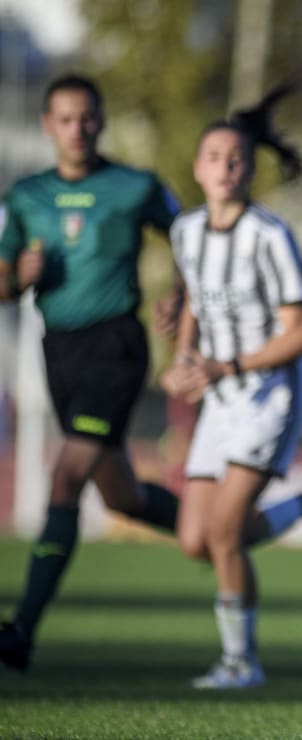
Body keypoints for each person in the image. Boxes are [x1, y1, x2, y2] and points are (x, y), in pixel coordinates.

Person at [159, 85, 302, 689]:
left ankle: (240, 663)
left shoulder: (269, 236)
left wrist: (227, 366)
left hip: (272, 392)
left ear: (250, 171)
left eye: (237, 160)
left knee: (225, 532)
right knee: (197, 540)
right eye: (214, 158)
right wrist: (182, 354)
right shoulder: (187, 232)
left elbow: (300, 333)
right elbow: (194, 298)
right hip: (221, 397)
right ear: (197, 169)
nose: (225, 168)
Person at [0, 74, 189, 672]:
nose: (77, 129)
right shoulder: (25, 196)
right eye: (65, 119)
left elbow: (195, 241)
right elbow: (1, 285)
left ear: (101, 122)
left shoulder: (134, 186)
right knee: (123, 497)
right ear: (47, 125)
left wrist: (181, 297)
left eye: (87, 118)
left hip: (116, 346)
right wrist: (18, 276)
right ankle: (223, 527)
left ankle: (21, 629)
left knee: (65, 480)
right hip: (59, 350)